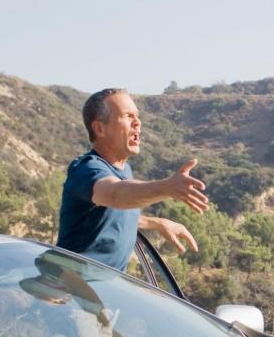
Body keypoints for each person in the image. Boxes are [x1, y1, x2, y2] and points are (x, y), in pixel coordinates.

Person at [57, 88, 209, 272]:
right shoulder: (86, 168)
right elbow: (115, 194)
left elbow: (114, 215)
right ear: (99, 128)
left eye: (137, 116)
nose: (138, 123)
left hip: (102, 291)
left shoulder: (124, 170)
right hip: (67, 289)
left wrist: (157, 223)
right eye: (128, 116)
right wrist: (167, 187)